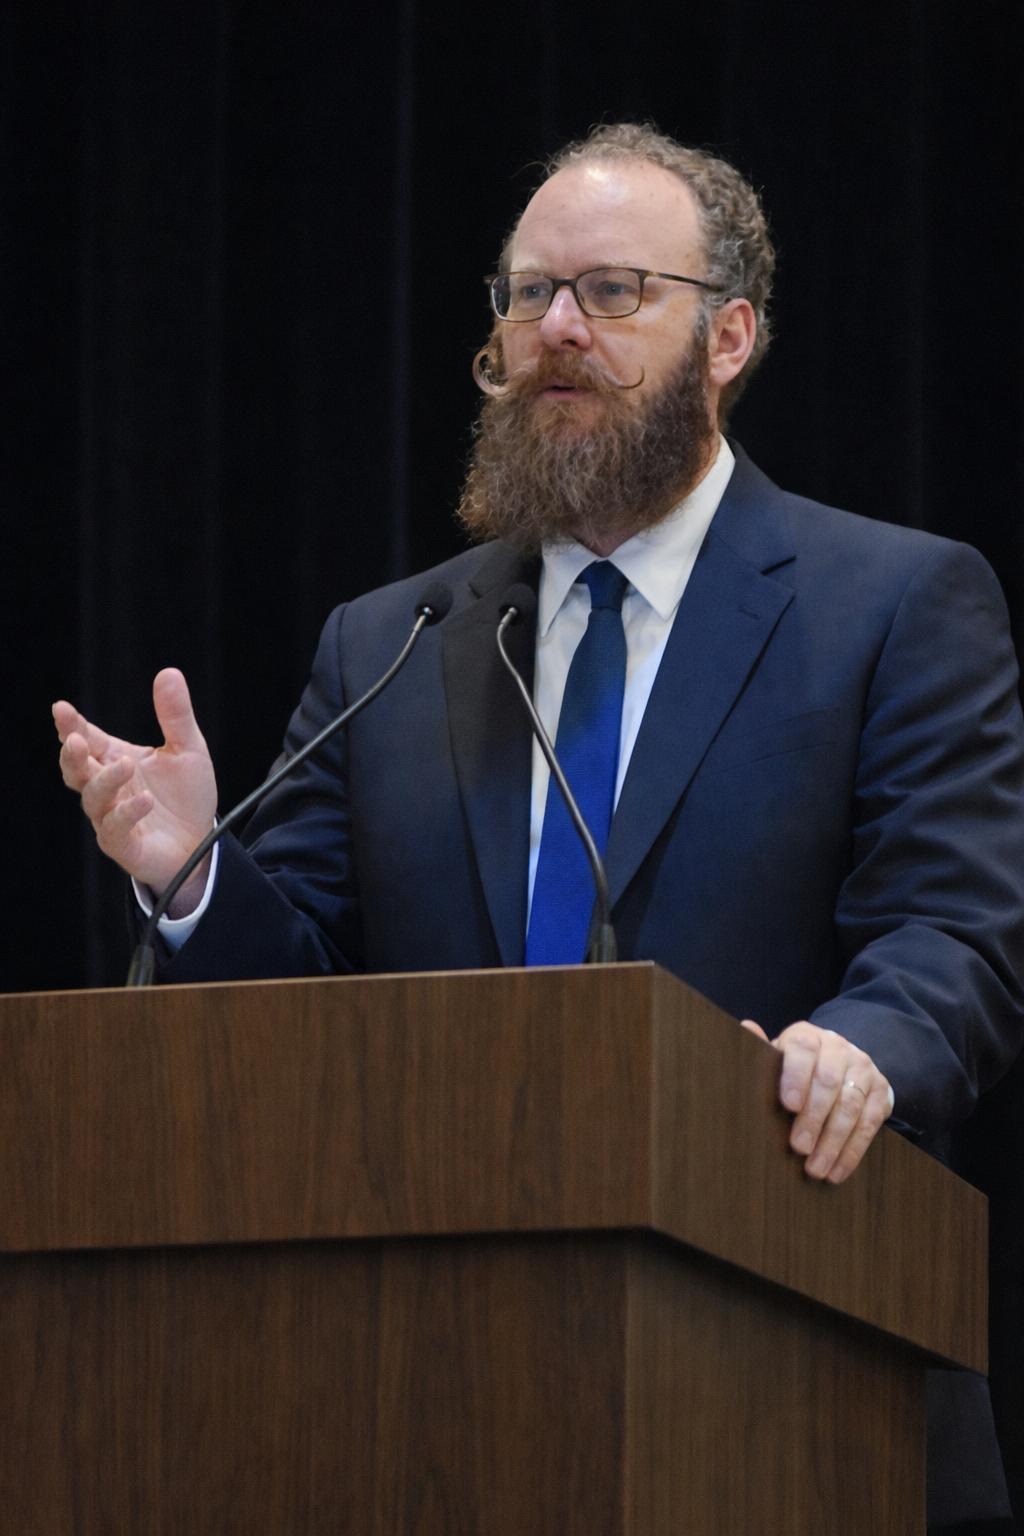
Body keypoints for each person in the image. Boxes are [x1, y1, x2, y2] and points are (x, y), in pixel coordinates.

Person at [54, 123, 1024, 1529]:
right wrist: (196, 879)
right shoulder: (393, 643)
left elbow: (953, 933)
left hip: (801, 1380)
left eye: (612, 291)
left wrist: (860, 1047)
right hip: (425, 1413)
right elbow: (302, 1012)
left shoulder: (894, 605)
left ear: (730, 336)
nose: (557, 328)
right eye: (528, 294)